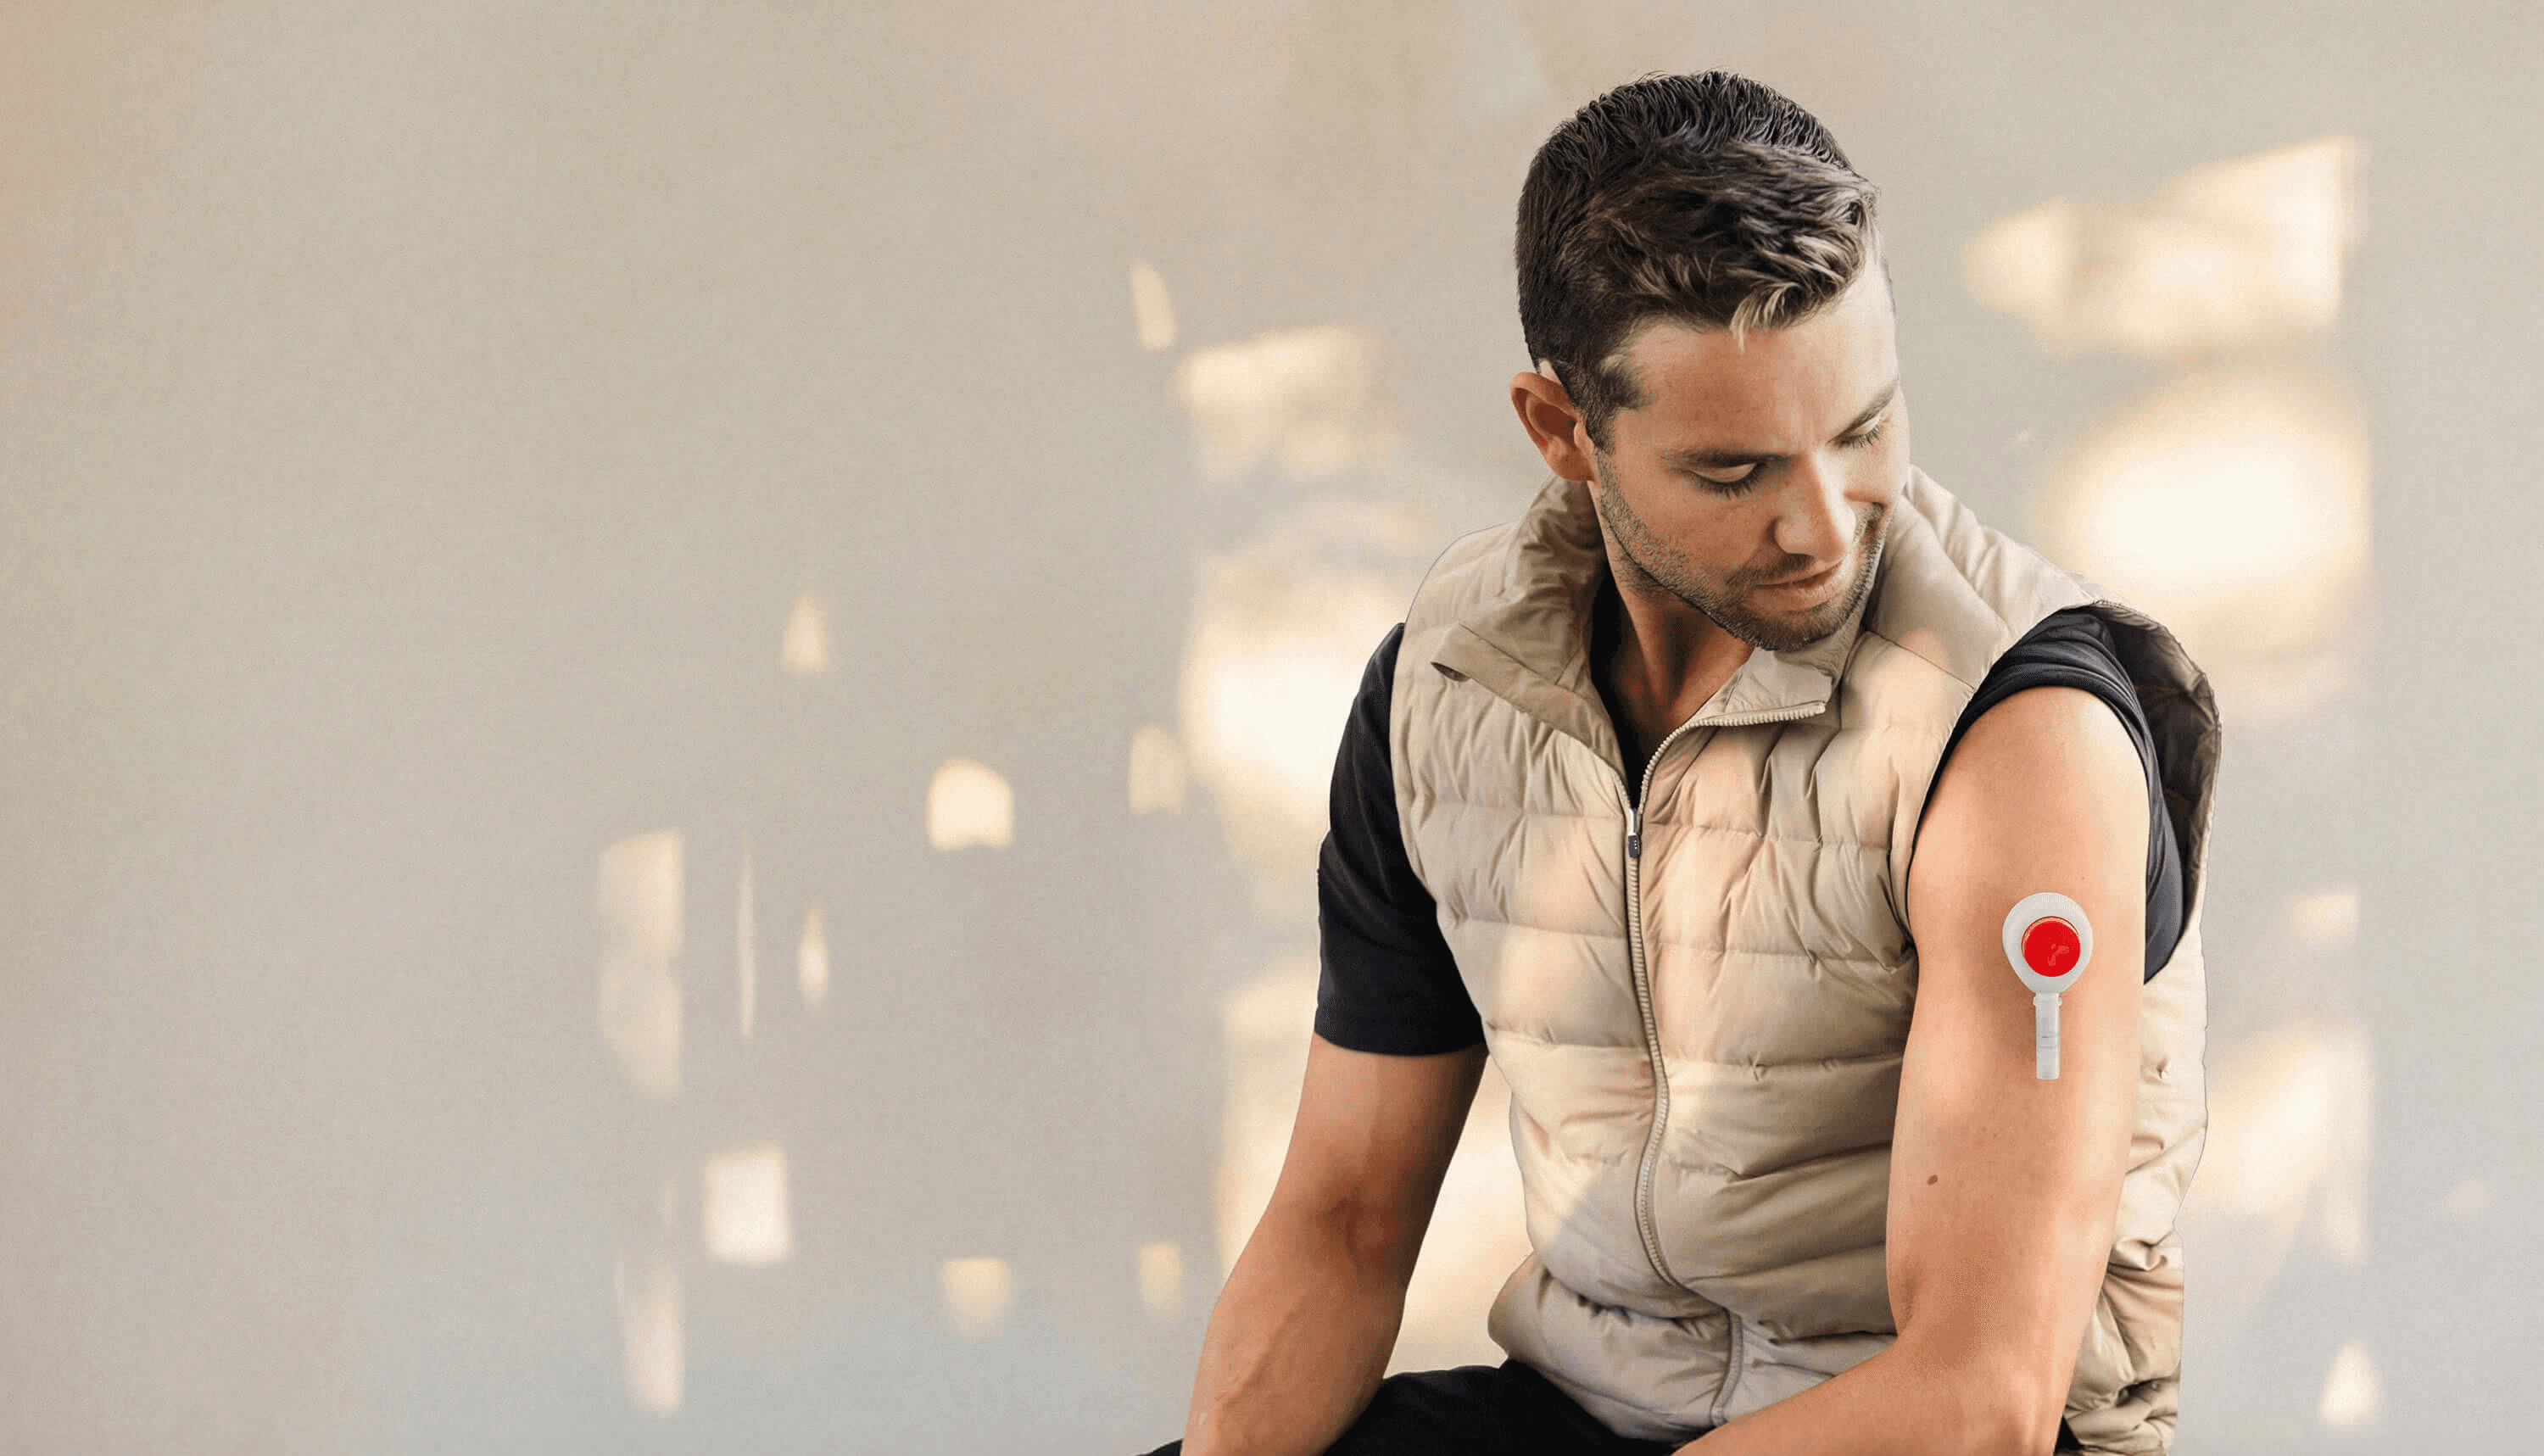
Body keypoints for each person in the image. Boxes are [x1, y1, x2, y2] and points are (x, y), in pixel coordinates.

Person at [1146, 71, 2219, 1456]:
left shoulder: (2017, 733)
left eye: (1864, 430)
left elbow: (1979, 1396)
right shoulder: (1447, 692)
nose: (1824, 525)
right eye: (1735, 472)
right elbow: (1345, 1225)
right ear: (1561, 432)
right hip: (1592, 1402)